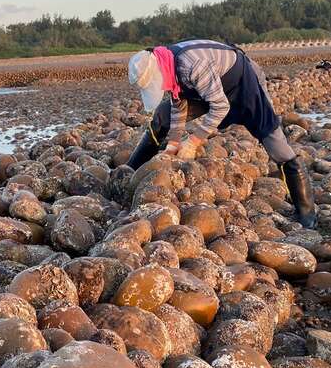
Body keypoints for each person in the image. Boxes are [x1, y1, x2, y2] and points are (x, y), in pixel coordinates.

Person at [127, 39, 317, 228]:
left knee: (274, 141)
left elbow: (220, 106)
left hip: (243, 83)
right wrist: (174, 144)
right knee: (162, 115)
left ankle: (306, 214)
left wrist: (193, 141)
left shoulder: (192, 65)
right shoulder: (167, 63)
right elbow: (179, 104)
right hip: (212, 87)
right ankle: (131, 170)